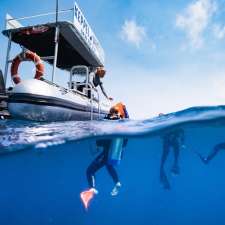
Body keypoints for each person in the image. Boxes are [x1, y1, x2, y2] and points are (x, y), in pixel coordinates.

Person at [80, 103, 129, 210]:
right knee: (109, 165)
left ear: (110, 113)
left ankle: (92, 189)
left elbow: (100, 142)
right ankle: (117, 182)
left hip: (107, 153)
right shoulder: (123, 123)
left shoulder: (108, 122)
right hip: (118, 152)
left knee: (89, 171)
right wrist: (124, 109)